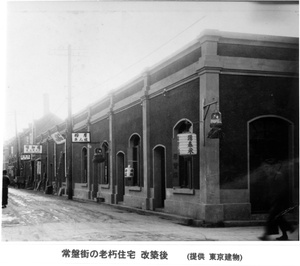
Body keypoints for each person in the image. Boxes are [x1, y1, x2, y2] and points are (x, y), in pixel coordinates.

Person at [259, 159, 294, 241]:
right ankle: (287, 232)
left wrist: (277, 200)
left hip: (279, 202)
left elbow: (282, 190)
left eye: (267, 167)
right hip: (276, 201)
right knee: (279, 219)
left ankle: (266, 235)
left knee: (271, 218)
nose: (266, 170)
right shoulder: (272, 176)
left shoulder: (278, 176)